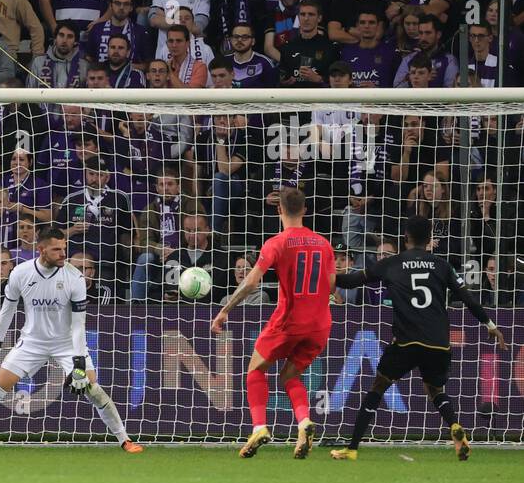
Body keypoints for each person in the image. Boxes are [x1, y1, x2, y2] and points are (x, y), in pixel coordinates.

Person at [0, 226, 142, 453]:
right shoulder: (20, 273)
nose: (63, 254)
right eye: (56, 249)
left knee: (94, 390)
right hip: (32, 343)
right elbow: (7, 311)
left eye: (64, 248)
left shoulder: (74, 277)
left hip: (67, 343)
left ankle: (125, 440)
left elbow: (78, 324)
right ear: (41, 250)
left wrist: (78, 363)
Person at [331, 215, 508, 460]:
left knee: (378, 387)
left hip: (406, 341)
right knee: (435, 390)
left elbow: (351, 281)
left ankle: (351, 449)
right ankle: (455, 426)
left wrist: (323, 276)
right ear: (428, 241)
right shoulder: (442, 265)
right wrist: (490, 325)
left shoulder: (391, 263)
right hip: (438, 342)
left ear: (406, 238)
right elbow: (468, 299)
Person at [211, 188, 334, 460]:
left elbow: (251, 282)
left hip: (289, 321)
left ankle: (259, 427)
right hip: (320, 324)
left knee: (255, 370)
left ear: (279, 209)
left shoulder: (276, 243)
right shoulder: (324, 244)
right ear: (304, 210)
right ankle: (303, 422)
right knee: (290, 375)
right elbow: (332, 285)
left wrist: (225, 310)